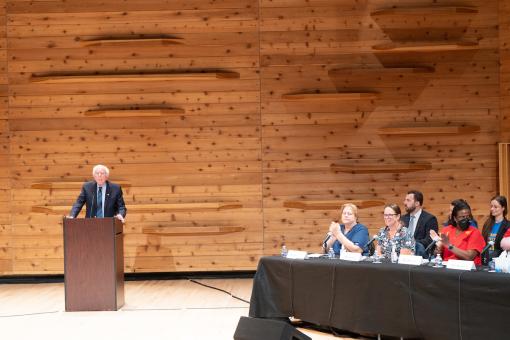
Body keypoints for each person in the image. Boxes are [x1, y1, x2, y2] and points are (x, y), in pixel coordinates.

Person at [431, 200, 485, 265]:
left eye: (468, 216)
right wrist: (438, 249)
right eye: (462, 217)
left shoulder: (475, 232)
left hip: (467, 271)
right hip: (447, 267)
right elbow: (437, 254)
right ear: (455, 218)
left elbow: (469, 257)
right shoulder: (446, 230)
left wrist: (449, 246)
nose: (466, 219)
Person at [401, 190, 438, 256]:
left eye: (408, 200)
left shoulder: (430, 219)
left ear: (417, 203)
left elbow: (430, 240)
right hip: (402, 254)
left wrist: (411, 243)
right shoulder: (402, 218)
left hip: (421, 255)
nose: (405, 203)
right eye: (405, 200)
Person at [481, 195, 510, 263]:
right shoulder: (487, 223)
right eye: (491, 206)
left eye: (495, 207)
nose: (492, 209)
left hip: (500, 260)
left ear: (503, 208)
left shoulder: (508, 225)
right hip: (486, 259)